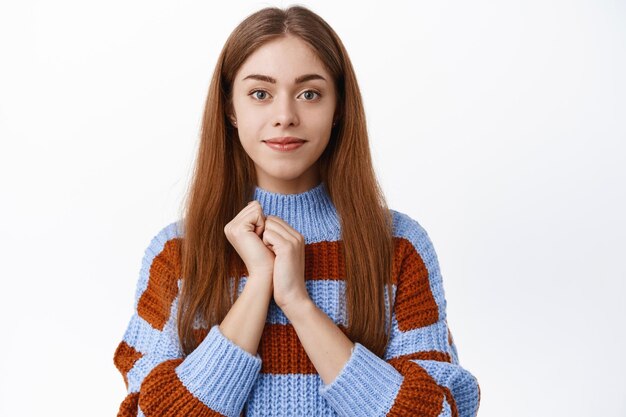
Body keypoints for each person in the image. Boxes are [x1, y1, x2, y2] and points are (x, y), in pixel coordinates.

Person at [113, 5, 480, 417]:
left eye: (310, 93)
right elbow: (148, 411)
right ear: (231, 109)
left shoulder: (398, 245)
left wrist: (297, 303)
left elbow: (435, 412)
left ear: (339, 106)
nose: (285, 116)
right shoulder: (176, 252)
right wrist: (258, 285)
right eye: (260, 94)